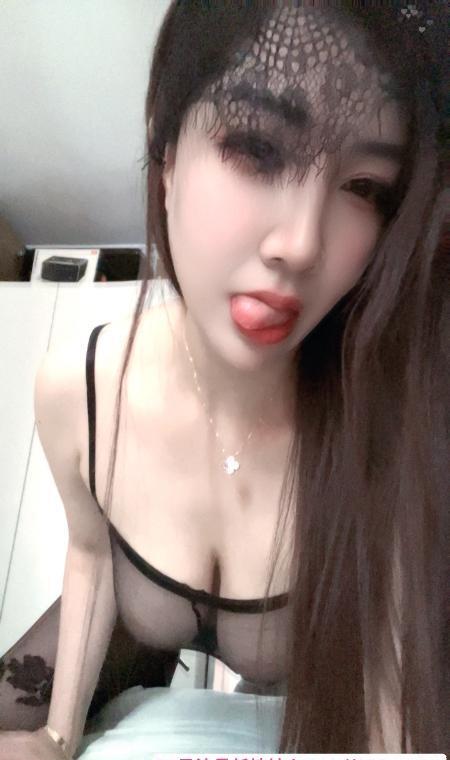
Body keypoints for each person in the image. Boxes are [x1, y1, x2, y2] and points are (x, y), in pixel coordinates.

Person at [0, 1, 448, 756]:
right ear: (167, 151)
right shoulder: (79, 390)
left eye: (365, 187)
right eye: (256, 149)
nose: (300, 245)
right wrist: (56, 735)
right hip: (135, 623)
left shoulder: (389, 429)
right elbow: (90, 553)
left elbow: (390, 699)